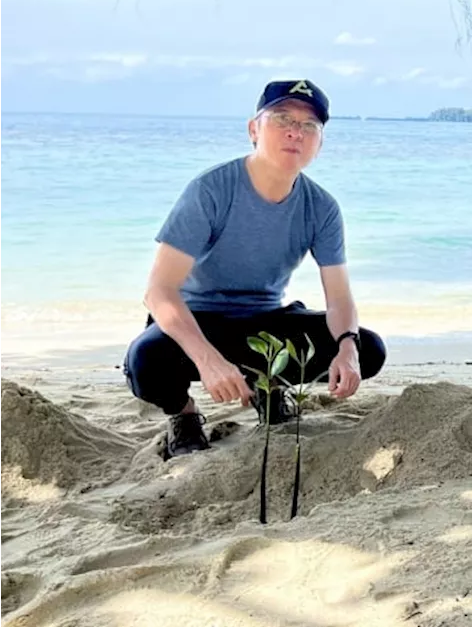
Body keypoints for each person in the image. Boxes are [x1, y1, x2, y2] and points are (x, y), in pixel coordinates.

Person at [122, 79, 387, 459]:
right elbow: (159, 292)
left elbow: (339, 298)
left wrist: (346, 348)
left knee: (368, 348)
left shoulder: (321, 207)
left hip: (266, 323)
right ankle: (183, 414)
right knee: (144, 363)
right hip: (199, 323)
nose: (296, 131)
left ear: (320, 143)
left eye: (310, 125)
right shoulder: (210, 191)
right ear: (253, 129)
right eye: (282, 118)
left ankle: (269, 387)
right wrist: (208, 360)